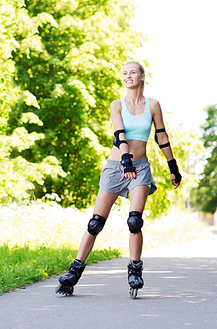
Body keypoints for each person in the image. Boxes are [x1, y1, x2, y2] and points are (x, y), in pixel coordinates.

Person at [55, 61, 182, 297]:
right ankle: (74, 271)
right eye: (124, 73)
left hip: (141, 168)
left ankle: (135, 270)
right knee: (95, 223)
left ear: (143, 76)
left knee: (135, 221)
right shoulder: (117, 105)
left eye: (133, 72)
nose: (128, 76)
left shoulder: (153, 105)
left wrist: (172, 166)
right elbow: (119, 135)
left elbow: (161, 135)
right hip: (116, 167)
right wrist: (126, 161)